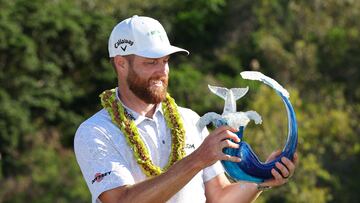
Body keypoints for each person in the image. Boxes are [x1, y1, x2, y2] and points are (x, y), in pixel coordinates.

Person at [74, 15, 298, 203]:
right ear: (122, 63)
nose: (162, 71)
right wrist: (199, 158)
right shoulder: (95, 131)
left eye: (165, 61)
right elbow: (122, 201)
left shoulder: (189, 119)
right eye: (150, 62)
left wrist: (261, 180)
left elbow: (219, 197)